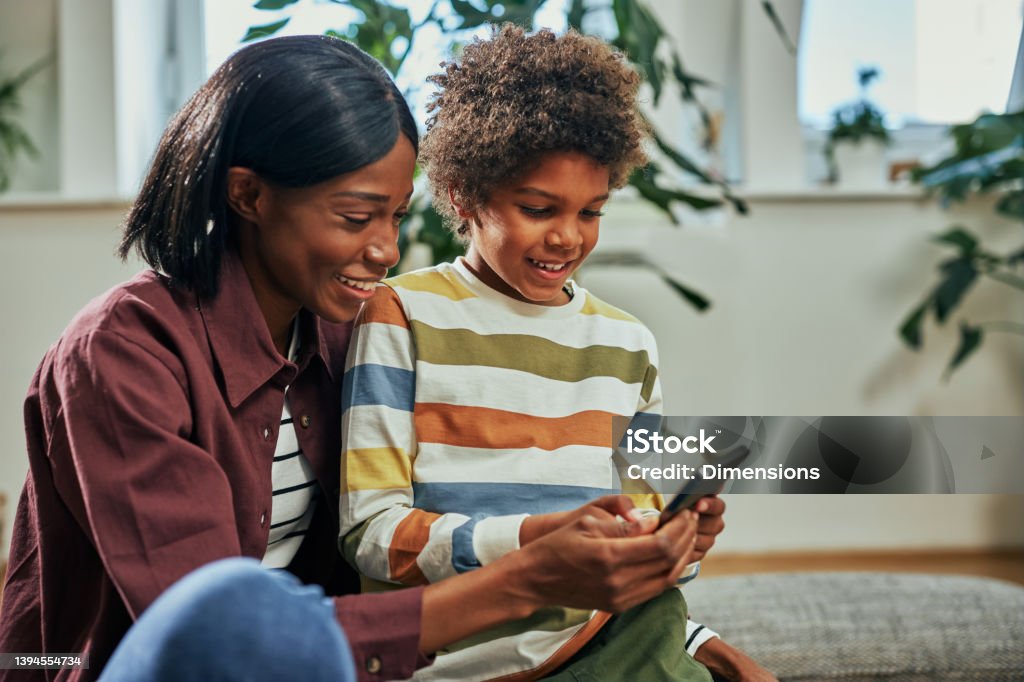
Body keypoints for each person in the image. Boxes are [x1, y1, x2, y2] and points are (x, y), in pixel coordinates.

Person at [0, 34, 717, 682]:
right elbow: (217, 634)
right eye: (355, 217)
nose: (387, 250)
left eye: (397, 216)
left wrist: (659, 569)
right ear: (248, 193)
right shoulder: (121, 355)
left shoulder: (347, 331)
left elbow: (525, 469)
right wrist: (529, 577)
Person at [340, 24, 775, 682]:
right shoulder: (401, 316)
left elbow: (639, 533)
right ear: (463, 194)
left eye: (592, 212)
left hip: (615, 643)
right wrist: (531, 541)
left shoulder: (627, 345)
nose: (568, 237)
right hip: (463, 663)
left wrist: (678, 545)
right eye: (539, 208)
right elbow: (371, 535)